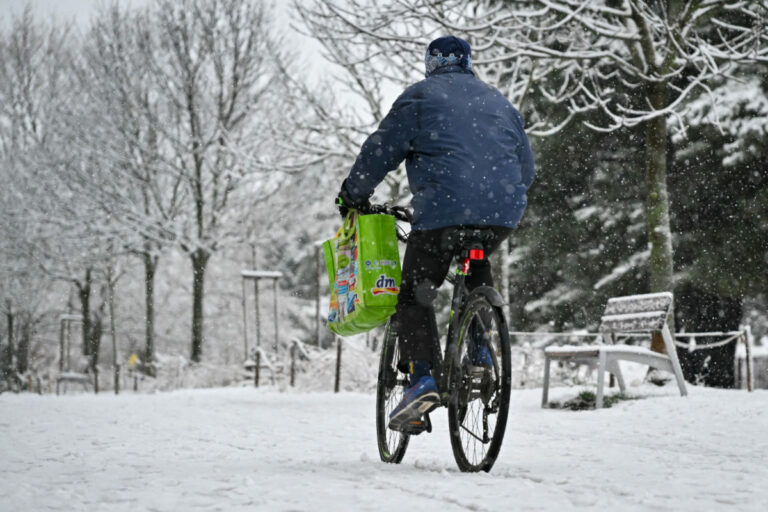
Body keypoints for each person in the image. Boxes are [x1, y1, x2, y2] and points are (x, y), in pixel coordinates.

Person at [336, 35, 535, 430]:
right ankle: (480, 352)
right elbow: (525, 170)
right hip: (502, 212)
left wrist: (353, 196)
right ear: (467, 62)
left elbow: (381, 150)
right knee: (476, 256)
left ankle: (422, 376)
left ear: (431, 63)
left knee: (414, 291)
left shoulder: (420, 97)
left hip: (444, 212)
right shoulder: (498, 101)